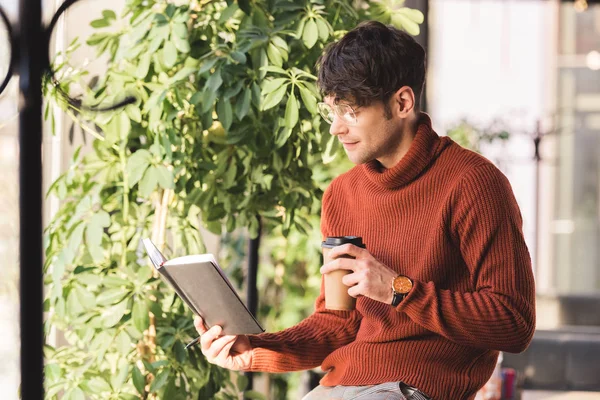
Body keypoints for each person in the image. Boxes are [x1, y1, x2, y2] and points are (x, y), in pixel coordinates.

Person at [194, 20, 536, 400]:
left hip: (413, 388)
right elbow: (337, 324)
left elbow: (514, 323)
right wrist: (256, 349)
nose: (336, 129)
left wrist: (398, 289)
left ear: (402, 103)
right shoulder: (342, 195)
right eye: (331, 112)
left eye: (350, 110)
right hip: (341, 386)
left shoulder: (473, 183)